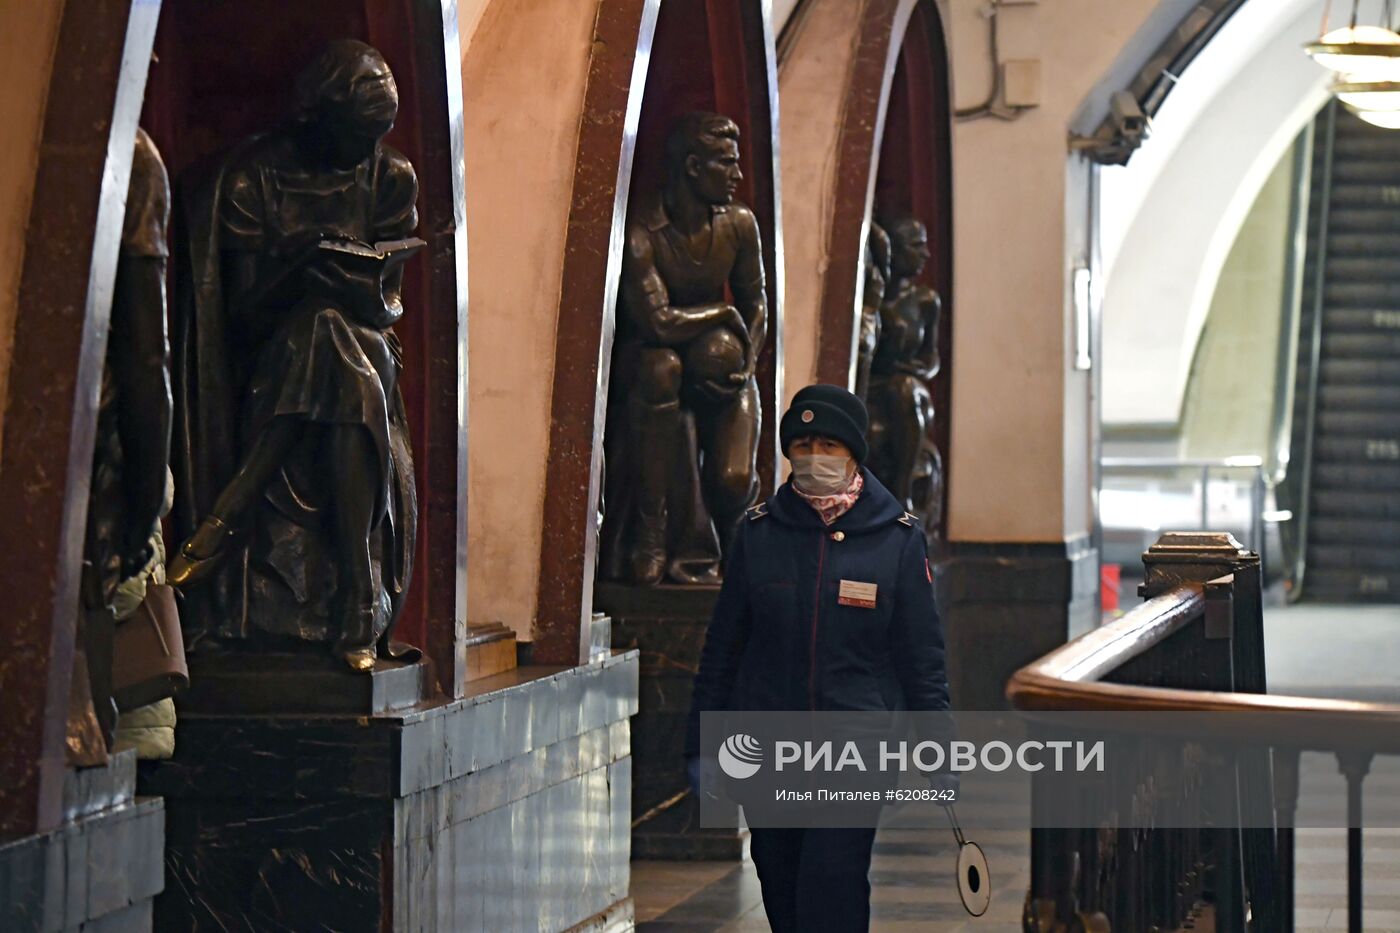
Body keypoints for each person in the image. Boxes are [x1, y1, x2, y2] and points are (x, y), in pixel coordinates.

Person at [169, 39, 419, 671]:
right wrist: (305, 270)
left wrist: (356, 288)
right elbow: (242, 313)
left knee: (334, 337)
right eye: (357, 134)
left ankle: (230, 510)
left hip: (364, 349)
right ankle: (358, 595)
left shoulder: (390, 177)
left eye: (378, 134)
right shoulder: (253, 180)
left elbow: (391, 306)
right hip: (265, 360)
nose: (368, 151)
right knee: (320, 333)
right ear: (315, 118)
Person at [685, 383, 952, 933]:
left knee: (832, 890)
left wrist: (937, 744)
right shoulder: (758, 534)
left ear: (853, 453)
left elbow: (920, 656)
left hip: (855, 750)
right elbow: (723, 649)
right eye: (802, 443)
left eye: (827, 443)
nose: (813, 456)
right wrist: (702, 744)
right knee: (783, 894)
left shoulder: (897, 541)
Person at [599, 111, 768, 586]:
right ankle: (651, 531)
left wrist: (748, 362)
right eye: (726, 164)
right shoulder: (643, 231)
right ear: (693, 168)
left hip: (719, 365)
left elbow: (757, 305)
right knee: (661, 367)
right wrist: (721, 314)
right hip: (655, 357)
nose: (737, 176)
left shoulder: (739, 225)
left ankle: (735, 556)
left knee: (734, 480)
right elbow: (656, 322)